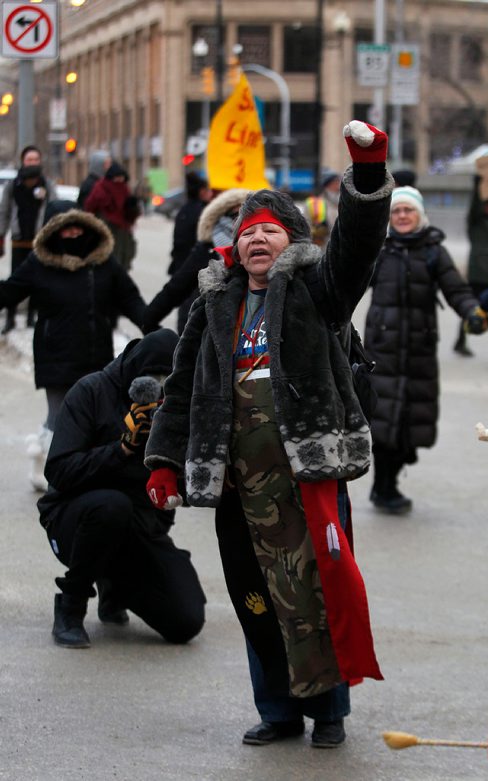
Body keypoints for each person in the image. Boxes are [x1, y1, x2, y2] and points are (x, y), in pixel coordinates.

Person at [144, 120, 393, 748]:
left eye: (269, 231)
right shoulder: (214, 303)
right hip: (236, 484)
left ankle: (329, 711)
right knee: (256, 594)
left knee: (316, 589)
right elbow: (183, 390)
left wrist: (367, 173)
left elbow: (358, 246)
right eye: (247, 231)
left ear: (291, 243)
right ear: (234, 246)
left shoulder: (318, 291)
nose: (257, 239)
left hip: (306, 478)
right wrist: (164, 462)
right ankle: (278, 711)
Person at [37, 329, 206, 649]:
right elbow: (58, 472)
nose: (158, 395)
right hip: (74, 520)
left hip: (138, 527)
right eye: (154, 383)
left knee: (185, 621)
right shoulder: (91, 391)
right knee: (111, 506)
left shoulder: (177, 410)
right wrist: (122, 450)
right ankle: (71, 606)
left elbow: (175, 493)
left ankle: (114, 584)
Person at [0, 199, 147, 492]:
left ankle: (87, 472)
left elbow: (130, 299)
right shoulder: (38, 263)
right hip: (55, 356)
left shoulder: (103, 262)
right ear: (53, 232)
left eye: (78, 228)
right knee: (59, 417)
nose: (74, 235)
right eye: (66, 230)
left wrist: (152, 328)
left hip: (97, 356)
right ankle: (46, 469)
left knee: (99, 417)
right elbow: (8, 293)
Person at [364, 185, 488, 514]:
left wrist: (473, 311)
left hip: (418, 349)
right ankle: (384, 486)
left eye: (409, 211)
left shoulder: (433, 250)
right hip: (383, 348)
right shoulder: (379, 249)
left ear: (420, 215)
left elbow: (456, 289)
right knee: (384, 420)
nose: (403, 216)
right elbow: (348, 285)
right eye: (397, 212)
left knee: (410, 420)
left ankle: (391, 477)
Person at [142, 188, 249, 335]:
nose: (238, 221)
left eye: (245, 215)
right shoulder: (208, 249)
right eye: (233, 215)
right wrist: (148, 321)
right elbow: (176, 287)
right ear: (221, 216)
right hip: (207, 334)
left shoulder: (265, 248)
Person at [0, 145, 57, 333]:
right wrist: (1, 235)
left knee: (38, 281)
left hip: (39, 242)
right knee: (15, 279)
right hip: (19, 240)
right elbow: (4, 212)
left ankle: (32, 317)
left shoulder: (47, 185)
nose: (32, 163)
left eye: (35, 159)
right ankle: (10, 316)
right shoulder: (13, 185)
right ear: (23, 161)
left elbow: (55, 211)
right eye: (29, 159)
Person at [453, 176, 488, 357]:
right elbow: (474, 206)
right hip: (478, 274)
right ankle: (460, 341)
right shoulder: (477, 223)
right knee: (471, 308)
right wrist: (479, 184)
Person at [165, 172, 213, 333]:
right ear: (201, 192)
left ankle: (182, 341)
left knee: (185, 311)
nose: (211, 193)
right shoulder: (203, 213)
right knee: (194, 311)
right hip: (195, 271)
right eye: (208, 190)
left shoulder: (183, 210)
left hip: (181, 267)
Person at [84, 161, 140, 271]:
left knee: (122, 264)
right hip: (106, 231)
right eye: (116, 178)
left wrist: (133, 208)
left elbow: (130, 215)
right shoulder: (100, 188)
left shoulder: (125, 190)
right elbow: (89, 207)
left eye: (121, 178)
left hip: (123, 235)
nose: (119, 181)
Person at [303, 170, 341, 248]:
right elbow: (305, 228)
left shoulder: (347, 203)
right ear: (327, 185)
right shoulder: (314, 204)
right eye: (335, 182)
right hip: (323, 249)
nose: (338, 186)